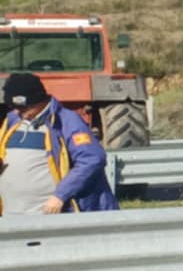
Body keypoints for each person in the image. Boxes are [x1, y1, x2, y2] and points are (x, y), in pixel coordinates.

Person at [0, 72, 118, 216]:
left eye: (24, 108)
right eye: (15, 107)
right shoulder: (12, 120)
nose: (19, 113)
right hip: (11, 214)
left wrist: (60, 195)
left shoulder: (66, 121)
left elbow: (91, 159)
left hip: (49, 216)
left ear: (39, 100)